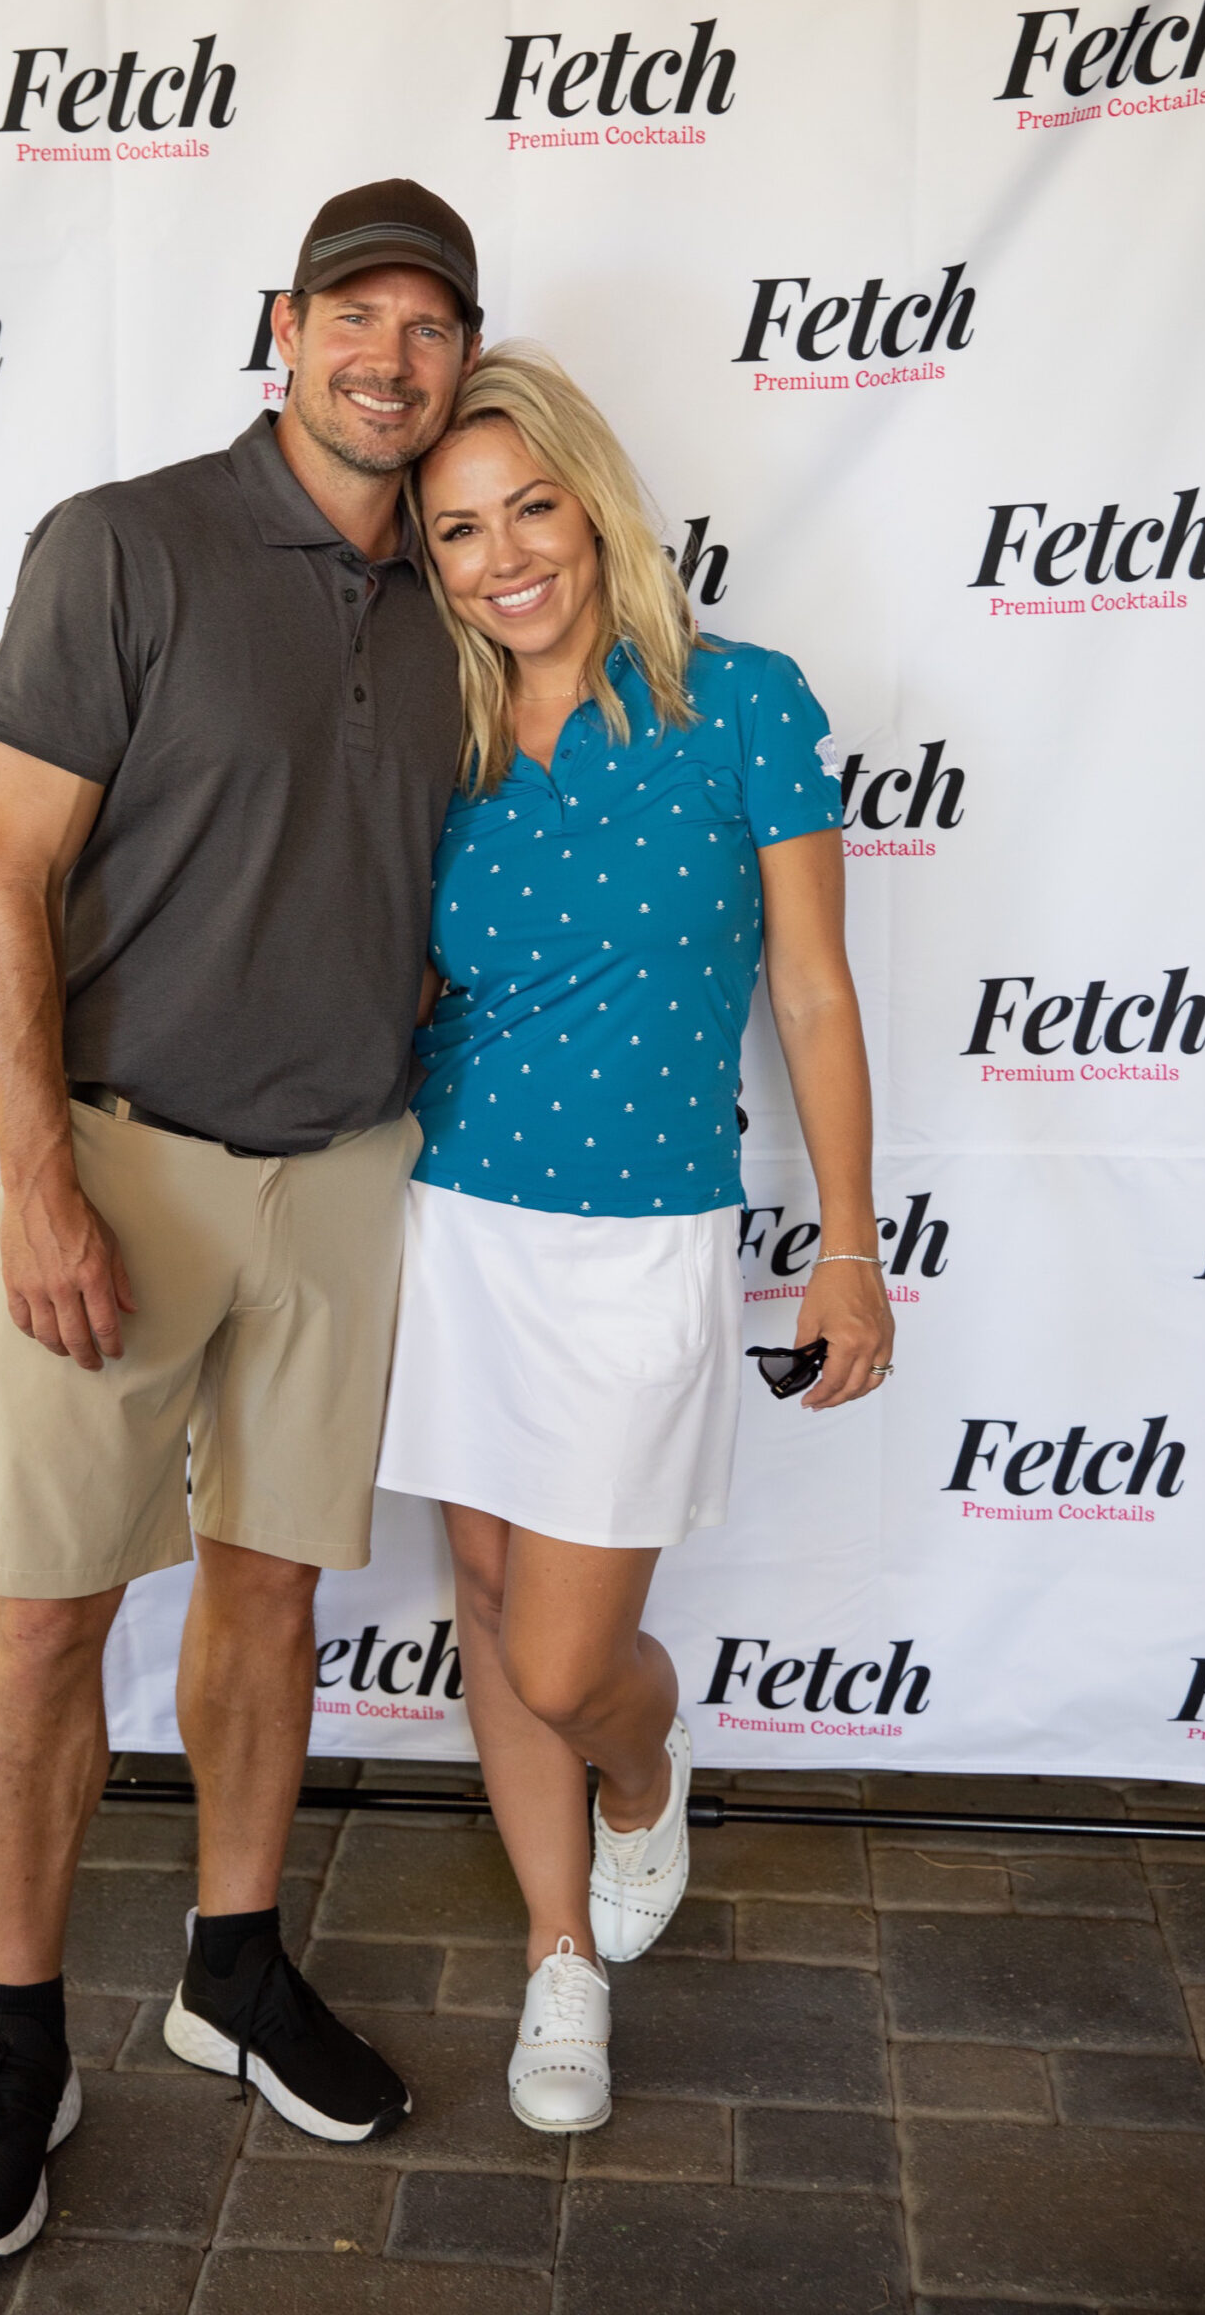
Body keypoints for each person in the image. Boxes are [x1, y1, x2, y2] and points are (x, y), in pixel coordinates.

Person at [0, 181, 482, 2258]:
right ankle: (16, 2035)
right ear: (283, 323)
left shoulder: (454, 591)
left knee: (266, 1597)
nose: (389, 357)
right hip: (121, 1159)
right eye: (357, 313)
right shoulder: (123, 541)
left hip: (344, 1172)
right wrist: (40, 1175)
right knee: (51, 1611)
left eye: (431, 327)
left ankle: (229, 1964)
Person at [375, 346, 893, 2133]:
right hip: (450, 1227)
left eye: (532, 507)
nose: (505, 556)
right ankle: (556, 1966)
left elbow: (815, 998)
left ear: (594, 504)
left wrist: (849, 1246)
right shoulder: (426, 736)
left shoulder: (742, 705)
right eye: (458, 530)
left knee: (565, 1662)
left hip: (645, 1237)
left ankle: (645, 1770)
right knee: (493, 1601)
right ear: (426, 560)